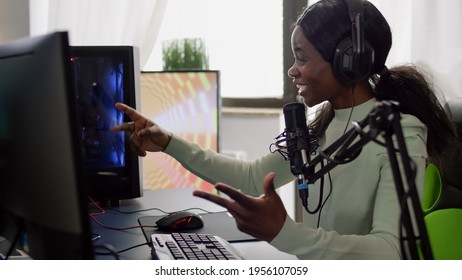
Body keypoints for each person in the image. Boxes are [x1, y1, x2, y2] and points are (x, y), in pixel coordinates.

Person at [111, 0, 458, 259]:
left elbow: (389, 251)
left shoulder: (399, 133)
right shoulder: (323, 126)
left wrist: (284, 232)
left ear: (348, 58)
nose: (293, 71)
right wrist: (169, 142)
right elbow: (251, 176)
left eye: (302, 58)